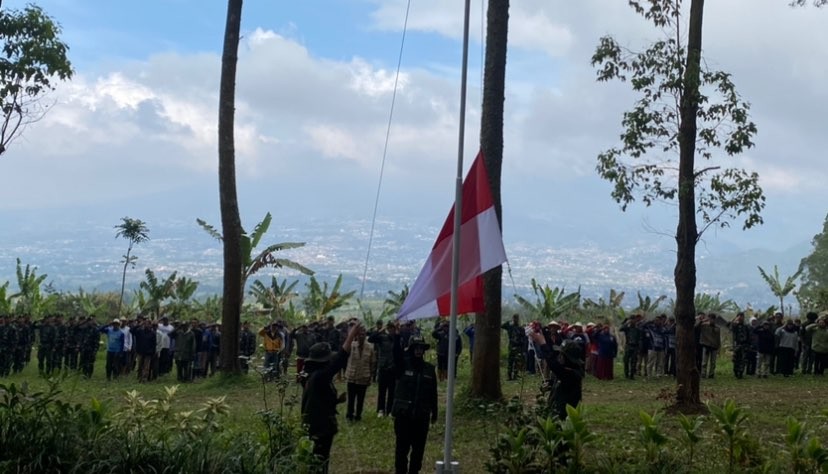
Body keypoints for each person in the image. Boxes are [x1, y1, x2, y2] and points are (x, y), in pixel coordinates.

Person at [300, 322, 360, 473]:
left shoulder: (312, 376)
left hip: (316, 426)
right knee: (319, 462)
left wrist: (336, 400)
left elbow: (318, 400)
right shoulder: (319, 376)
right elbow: (339, 360)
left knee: (319, 461)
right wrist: (351, 335)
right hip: (319, 429)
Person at [391, 335, 438, 474]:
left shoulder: (429, 369)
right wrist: (398, 336)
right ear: (410, 349)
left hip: (421, 416)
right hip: (403, 416)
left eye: (421, 348)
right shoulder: (402, 365)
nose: (418, 351)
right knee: (402, 450)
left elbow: (433, 392)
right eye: (415, 348)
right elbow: (396, 354)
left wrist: (434, 411)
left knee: (418, 450)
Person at [529, 331, 584, 420]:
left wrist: (543, 344)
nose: (559, 356)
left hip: (565, 416)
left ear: (567, 358)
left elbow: (554, 365)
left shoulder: (574, 373)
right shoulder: (566, 369)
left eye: (562, 354)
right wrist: (551, 384)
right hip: (557, 410)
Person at [345, 324, 374, 422]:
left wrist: (370, 376)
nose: (361, 335)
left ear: (366, 335)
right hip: (351, 376)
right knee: (351, 398)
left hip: (363, 377)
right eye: (360, 334)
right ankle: (349, 415)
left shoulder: (370, 347)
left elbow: (372, 362)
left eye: (363, 334)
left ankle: (358, 415)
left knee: (361, 398)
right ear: (356, 335)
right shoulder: (352, 346)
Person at [368, 321, 397, 417]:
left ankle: (389, 410)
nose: (391, 329)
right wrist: (380, 330)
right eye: (389, 328)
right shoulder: (381, 337)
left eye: (392, 328)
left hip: (392, 368)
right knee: (382, 390)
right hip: (383, 367)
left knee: (392, 391)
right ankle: (381, 409)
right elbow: (370, 339)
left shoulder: (396, 338)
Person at [502, 313, 528, 381]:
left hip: (518, 347)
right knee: (510, 361)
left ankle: (515, 376)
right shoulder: (510, 326)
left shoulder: (521, 328)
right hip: (511, 346)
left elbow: (524, 338)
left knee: (517, 362)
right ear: (513, 319)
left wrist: (523, 348)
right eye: (514, 318)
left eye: (516, 318)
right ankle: (509, 376)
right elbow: (502, 326)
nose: (516, 319)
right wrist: (508, 321)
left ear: (518, 319)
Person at [728, 312, 751, 379]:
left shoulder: (746, 326)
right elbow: (728, 326)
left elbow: (748, 335)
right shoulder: (735, 325)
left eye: (742, 316)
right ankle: (735, 371)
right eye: (739, 316)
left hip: (744, 345)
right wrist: (735, 320)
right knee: (736, 359)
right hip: (736, 344)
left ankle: (740, 373)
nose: (741, 318)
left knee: (743, 359)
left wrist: (748, 344)